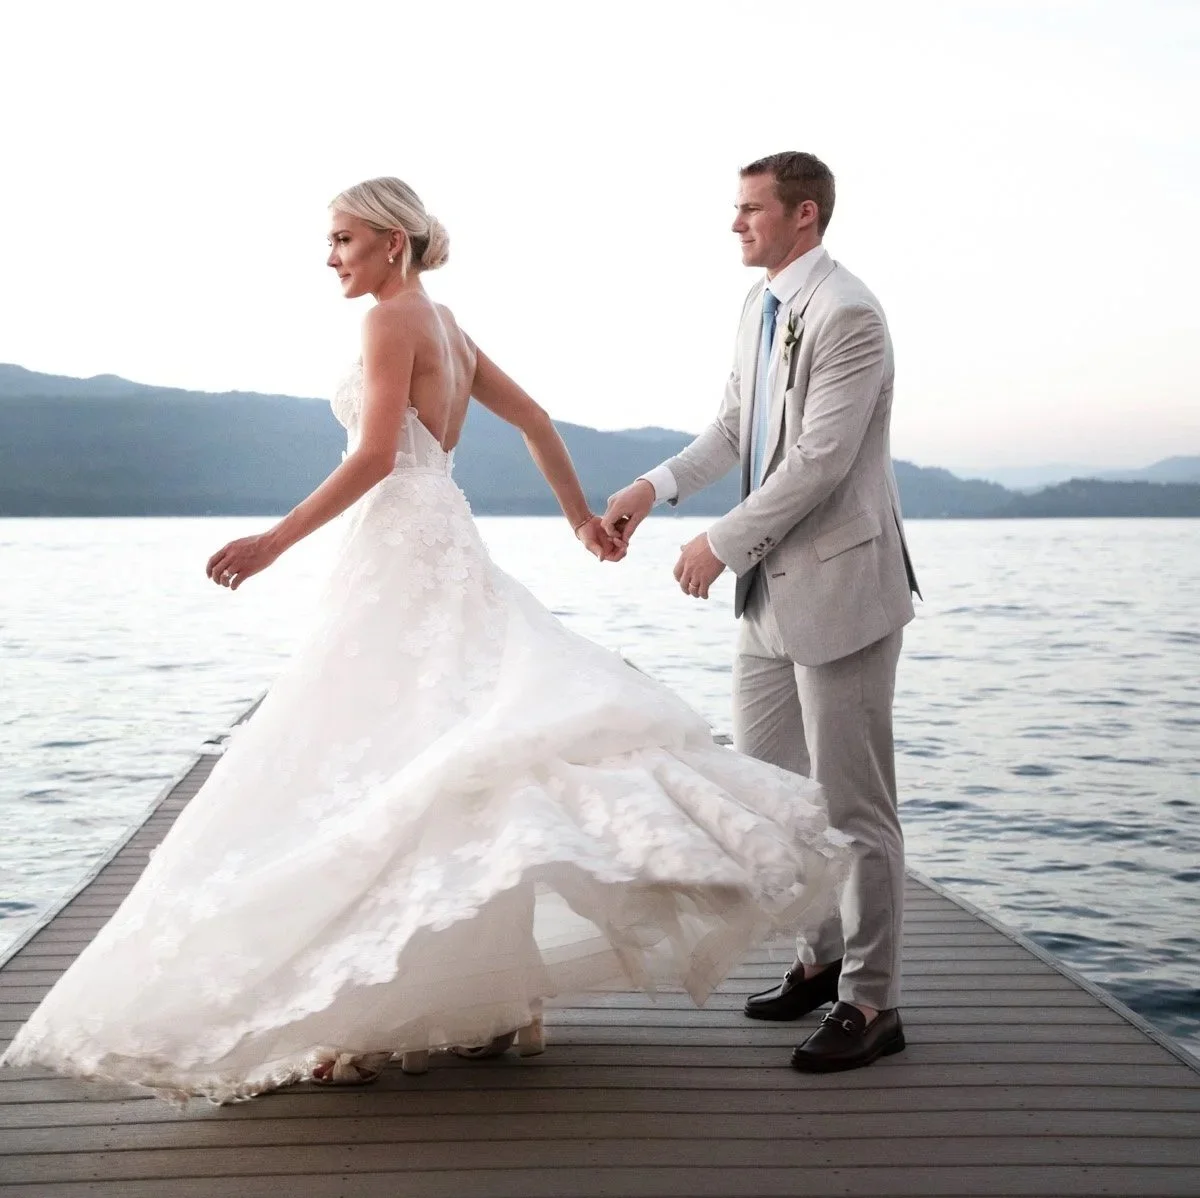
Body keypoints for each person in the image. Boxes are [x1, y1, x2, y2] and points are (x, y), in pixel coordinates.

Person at [1, 177, 849, 1104]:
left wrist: (269, 543)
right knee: (443, 755)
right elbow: (535, 420)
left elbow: (371, 457)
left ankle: (392, 1012)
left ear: (394, 243)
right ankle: (490, 1000)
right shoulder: (453, 327)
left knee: (384, 758)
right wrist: (579, 522)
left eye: (344, 239)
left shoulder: (390, 321)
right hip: (441, 537)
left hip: (401, 546)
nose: (332, 256)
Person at [604, 151, 920, 1073]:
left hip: (843, 592)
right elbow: (737, 431)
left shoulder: (851, 314)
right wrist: (649, 487)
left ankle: (872, 1003)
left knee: (857, 810)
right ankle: (818, 961)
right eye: (736, 209)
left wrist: (718, 543)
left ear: (804, 217)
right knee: (772, 789)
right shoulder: (759, 306)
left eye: (750, 209)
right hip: (766, 600)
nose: (735, 223)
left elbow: (820, 462)